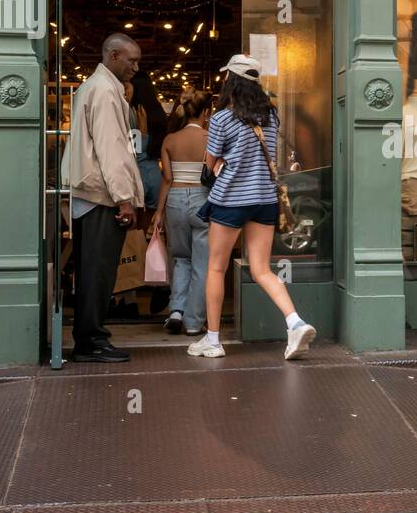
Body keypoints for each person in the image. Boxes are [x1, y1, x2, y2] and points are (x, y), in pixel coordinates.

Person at [191, 54, 316, 360]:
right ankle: (295, 322)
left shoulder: (221, 118)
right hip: (264, 200)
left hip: (231, 201)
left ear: (230, 81)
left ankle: (213, 340)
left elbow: (210, 162)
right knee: (261, 269)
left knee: (216, 268)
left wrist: (222, 163)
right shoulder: (271, 116)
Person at [62, 32, 144, 363]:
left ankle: (89, 337)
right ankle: (91, 340)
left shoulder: (93, 87)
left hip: (91, 193)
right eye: (131, 60)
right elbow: (112, 150)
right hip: (101, 196)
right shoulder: (106, 92)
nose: (136, 67)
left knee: (90, 270)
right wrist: (124, 198)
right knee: (98, 271)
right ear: (112, 56)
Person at [154, 88, 212, 339]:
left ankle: (176, 310)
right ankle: (193, 322)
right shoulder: (211, 139)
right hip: (203, 198)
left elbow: (167, 178)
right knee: (202, 263)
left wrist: (158, 212)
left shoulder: (169, 140)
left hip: (175, 199)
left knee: (180, 258)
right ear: (206, 112)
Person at [128, 70, 168, 221]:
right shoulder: (159, 114)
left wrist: (141, 135)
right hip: (155, 176)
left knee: (131, 231)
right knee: (148, 230)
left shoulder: (134, 113)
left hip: (137, 175)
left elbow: (133, 151)